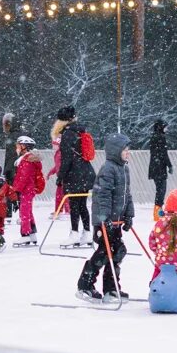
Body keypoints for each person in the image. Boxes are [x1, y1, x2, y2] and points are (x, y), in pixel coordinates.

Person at [77, 134, 133, 302]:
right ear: (116, 151)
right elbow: (102, 195)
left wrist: (128, 215)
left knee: (117, 252)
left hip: (116, 221)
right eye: (125, 150)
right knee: (103, 253)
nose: (128, 153)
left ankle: (111, 289)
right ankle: (85, 286)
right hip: (105, 221)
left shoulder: (124, 169)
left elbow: (127, 195)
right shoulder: (108, 168)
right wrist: (105, 218)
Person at [58, 109, 96, 246]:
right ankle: (86, 233)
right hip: (86, 172)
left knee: (74, 205)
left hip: (75, 174)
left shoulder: (67, 134)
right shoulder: (80, 131)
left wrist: (60, 176)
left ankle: (74, 233)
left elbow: (66, 159)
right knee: (82, 205)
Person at [10, 136, 46, 245]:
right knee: (28, 211)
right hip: (29, 189)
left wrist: (16, 189)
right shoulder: (27, 158)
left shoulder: (27, 160)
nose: (16, 147)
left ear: (24, 146)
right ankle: (32, 234)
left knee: (24, 212)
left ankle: (25, 234)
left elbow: (23, 177)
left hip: (26, 189)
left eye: (18, 145)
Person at [147, 120, 173, 221]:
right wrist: (169, 165)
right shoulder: (161, 137)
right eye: (165, 127)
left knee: (159, 190)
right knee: (161, 190)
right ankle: (157, 213)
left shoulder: (153, 137)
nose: (166, 129)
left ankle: (157, 212)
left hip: (154, 167)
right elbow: (164, 153)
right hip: (160, 168)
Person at [48, 116, 68, 218]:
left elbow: (60, 166)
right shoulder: (57, 154)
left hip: (63, 177)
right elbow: (57, 166)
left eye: (54, 145)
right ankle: (59, 210)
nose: (53, 147)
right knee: (59, 195)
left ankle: (67, 211)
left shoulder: (60, 153)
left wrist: (61, 176)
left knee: (65, 194)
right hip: (61, 177)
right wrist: (50, 172)